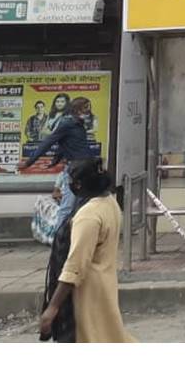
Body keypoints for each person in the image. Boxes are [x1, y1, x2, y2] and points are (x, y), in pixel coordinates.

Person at [38, 157, 134, 343]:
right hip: (104, 285)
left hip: (84, 295)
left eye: (72, 183)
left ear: (81, 185)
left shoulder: (88, 215)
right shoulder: (110, 203)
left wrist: (52, 307)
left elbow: (75, 267)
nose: (70, 187)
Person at [21, 96, 93, 226]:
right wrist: (29, 162)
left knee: (82, 206)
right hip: (74, 170)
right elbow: (49, 141)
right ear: (76, 110)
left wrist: (56, 158)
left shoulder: (80, 125)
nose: (88, 111)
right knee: (68, 206)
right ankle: (59, 240)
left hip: (85, 169)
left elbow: (64, 143)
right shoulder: (67, 123)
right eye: (85, 108)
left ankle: (74, 237)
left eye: (89, 108)